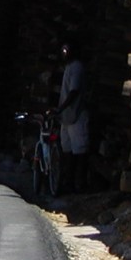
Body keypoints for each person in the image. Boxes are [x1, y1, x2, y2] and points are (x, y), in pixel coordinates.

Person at [56, 41, 90, 194]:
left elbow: (74, 91)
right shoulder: (69, 67)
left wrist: (62, 107)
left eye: (66, 49)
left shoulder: (76, 67)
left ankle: (79, 183)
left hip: (76, 114)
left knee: (79, 150)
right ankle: (68, 181)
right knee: (67, 150)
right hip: (67, 116)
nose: (63, 52)